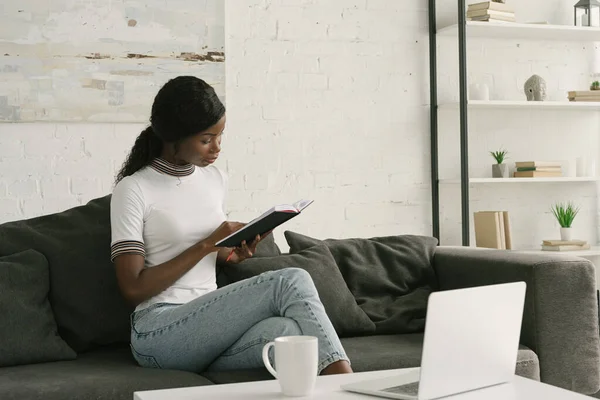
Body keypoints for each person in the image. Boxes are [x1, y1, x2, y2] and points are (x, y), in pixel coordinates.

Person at [110, 75, 352, 375]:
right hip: (158, 331)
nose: (216, 148)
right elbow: (132, 289)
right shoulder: (133, 189)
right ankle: (345, 386)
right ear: (174, 137)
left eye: (220, 136)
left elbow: (209, 253)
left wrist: (229, 253)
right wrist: (206, 245)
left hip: (209, 328)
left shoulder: (215, 181)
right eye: (206, 139)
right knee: (290, 280)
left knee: (288, 333)